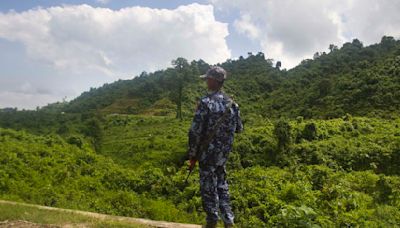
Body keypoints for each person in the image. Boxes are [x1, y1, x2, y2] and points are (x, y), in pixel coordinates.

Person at [187, 66, 243, 228]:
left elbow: (195, 132)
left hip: (207, 154)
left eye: (207, 79)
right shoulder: (233, 105)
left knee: (208, 187)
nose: (206, 81)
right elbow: (239, 129)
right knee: (222, 186)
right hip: (223, 156)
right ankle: (228, 220)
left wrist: (192, 155)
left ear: (213, 81)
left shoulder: (205, 103)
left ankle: (212, 220)